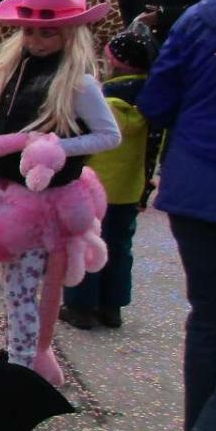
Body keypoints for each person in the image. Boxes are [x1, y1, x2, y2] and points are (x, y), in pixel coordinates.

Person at [0, 0, 120, 376]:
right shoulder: (14, 68)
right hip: (8, 192)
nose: (35, 41)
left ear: (69, 33)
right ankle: (12, 356)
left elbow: (110, 135)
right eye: (29, 31)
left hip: (43, 201)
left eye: (47, 33)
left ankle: (22, 369)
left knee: (22, 290)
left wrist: (57, 147)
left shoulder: (79, 83)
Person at [137, 0, 216, 431]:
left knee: (210, 317)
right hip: (202, 183)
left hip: (195, 185)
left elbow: (156, 102)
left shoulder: (196, 19)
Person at [60, 28, 155, 332]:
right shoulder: (152, 103)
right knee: (119, 246)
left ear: (114, 61)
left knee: (85, 243)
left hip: (94, 186)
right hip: (129, 188)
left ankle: (80, 306)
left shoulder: (101, 101)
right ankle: (112, 307)